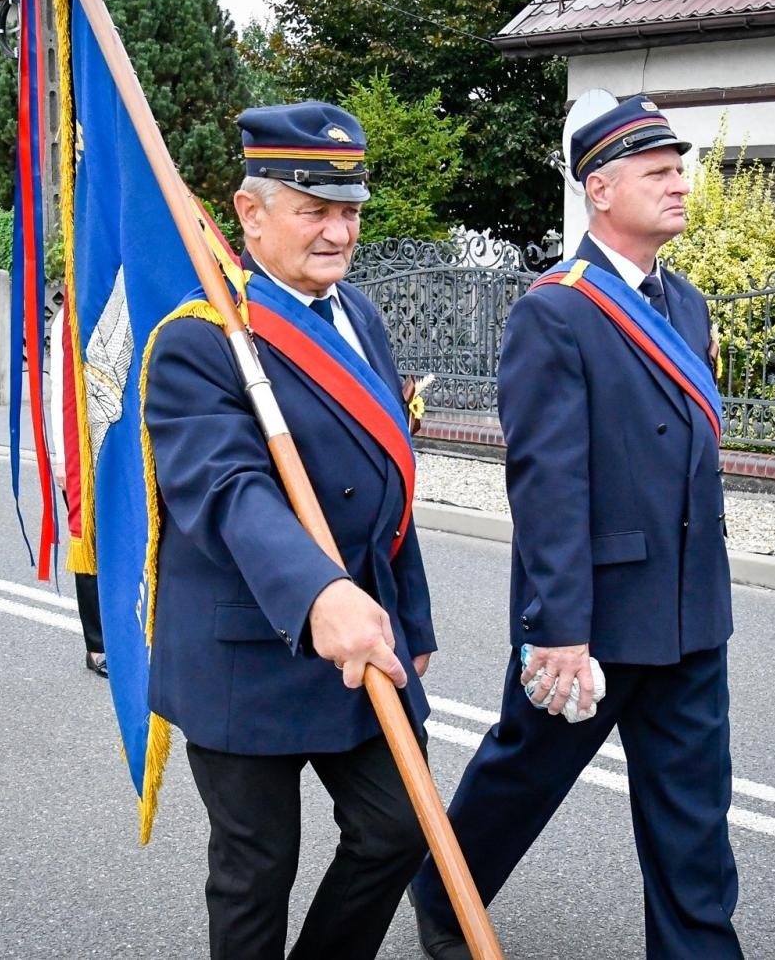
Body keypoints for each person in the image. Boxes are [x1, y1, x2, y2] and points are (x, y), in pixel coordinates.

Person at [410, 96, 743, 959]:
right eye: (658, 172)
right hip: (598, 621)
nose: (679, 185)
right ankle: (445, 896)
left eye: (680, 169)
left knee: (695, 825)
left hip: (691, 614)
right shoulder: (555, 311)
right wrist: (559, 630)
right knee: (521, 781)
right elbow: (548, 484)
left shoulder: (690, 305)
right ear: (600, 188)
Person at [143, 101, 436, 960]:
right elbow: (226, 491)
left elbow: (392, 487)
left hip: (359, 636)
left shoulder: (363, 317)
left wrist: (408, 618)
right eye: (315, 210)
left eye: (350, 211)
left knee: (399, 827)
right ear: (251, 213)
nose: (339, 232)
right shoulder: (201, 339)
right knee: (255, 871)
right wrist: (320, 593)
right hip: (248, 647)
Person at [46, 305, 106, 676]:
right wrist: (61, 456)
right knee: (91, 540)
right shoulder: (71, 312)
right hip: (83, 443)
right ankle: (97, 645)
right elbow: (61, 391)